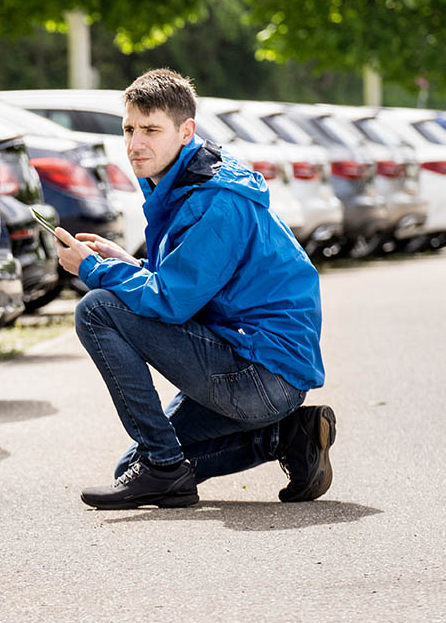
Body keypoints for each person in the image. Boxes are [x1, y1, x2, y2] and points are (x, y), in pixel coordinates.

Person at [52, 68, 335, 509]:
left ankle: (166, 469)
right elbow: (193, 281)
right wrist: (126, 263)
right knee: (130, 465)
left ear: (186, 132)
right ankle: (287, 437)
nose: (135, 144)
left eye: (150, 130)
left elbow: (172, 301)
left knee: (97, 309)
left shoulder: (216, 201)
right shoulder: (188, 183)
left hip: (262, 373)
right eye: (129, 129)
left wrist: (93, 269)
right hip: (255, 365)